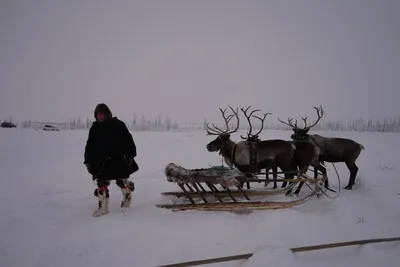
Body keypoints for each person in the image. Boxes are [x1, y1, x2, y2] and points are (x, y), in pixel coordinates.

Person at [84, 103, 139, 217]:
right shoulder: (94, 128)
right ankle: (103, 207)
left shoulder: (118, 125)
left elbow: (128, 141)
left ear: (107, 114)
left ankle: (127, 196)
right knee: (101, 182)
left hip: (118, 160)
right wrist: (88, 161)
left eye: (101, 114)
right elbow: (90, 146)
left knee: (121, 180)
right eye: (97, 115)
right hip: (102, 162)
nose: (99, 117)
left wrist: (130, 156)